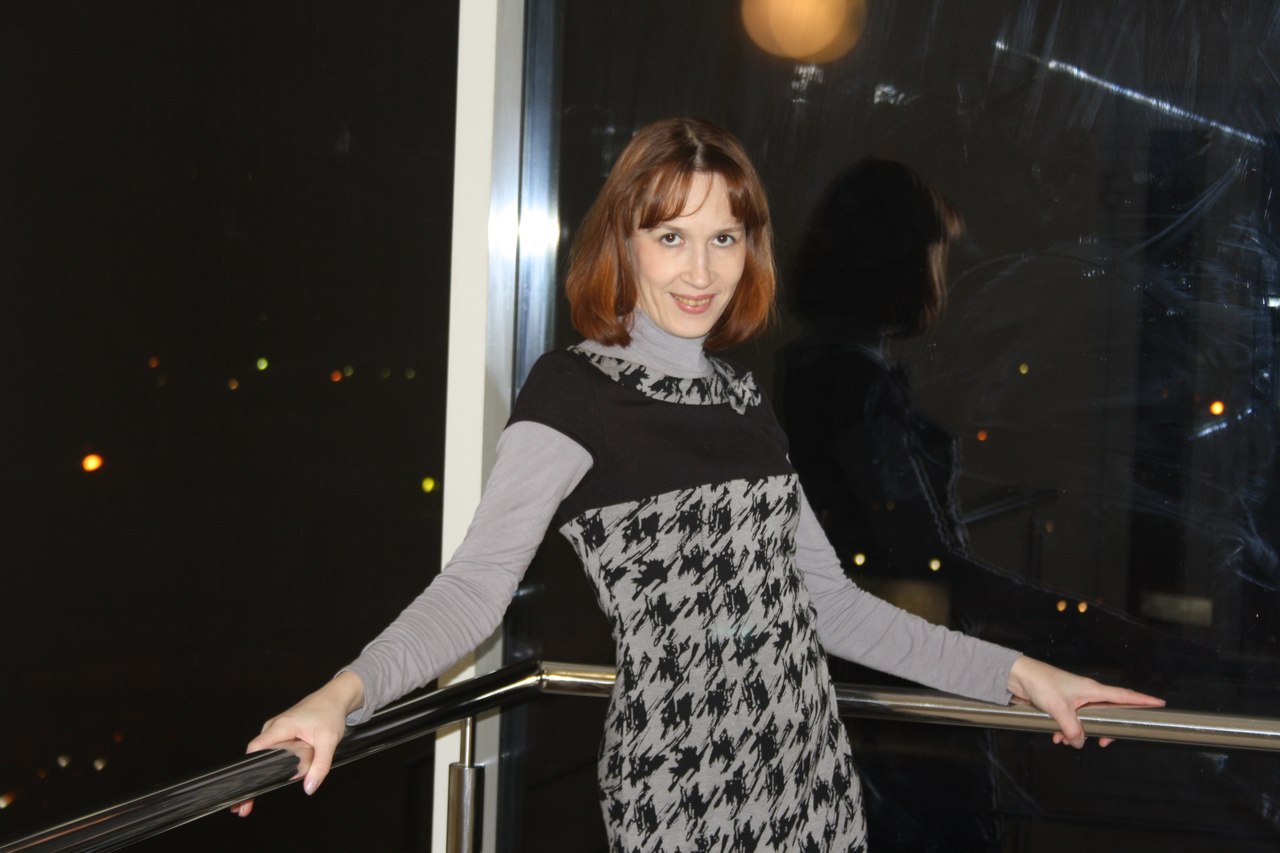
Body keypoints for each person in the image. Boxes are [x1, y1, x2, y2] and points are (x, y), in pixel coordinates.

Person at [237, 118, 1163, 851]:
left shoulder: (741, 399)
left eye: (725, 237)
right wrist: (340, 696)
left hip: (810, 772)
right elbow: (475, 586)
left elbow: (834, 608)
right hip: (684, 787)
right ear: (625, 241)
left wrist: (1023, 676)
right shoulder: (574, 390)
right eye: (671, 235)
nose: (700, 270)